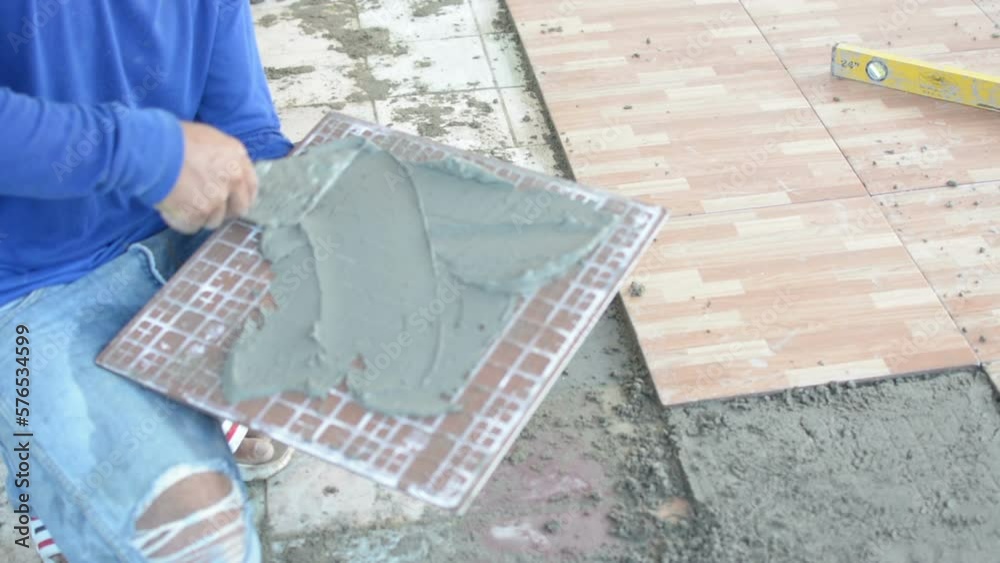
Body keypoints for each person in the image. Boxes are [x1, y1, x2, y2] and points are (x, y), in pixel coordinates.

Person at [1, 1, 294, 560]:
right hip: (23, 284)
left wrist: (300, 193)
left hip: (183, 229)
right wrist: (142, 151)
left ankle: (181, 415)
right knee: (198, 541)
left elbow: (241, 127)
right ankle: (49, 486)